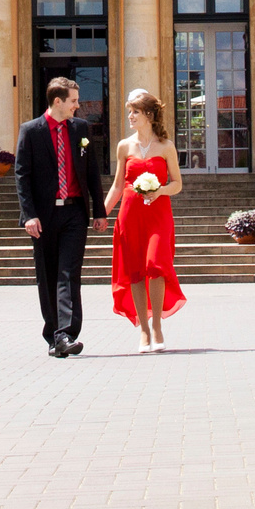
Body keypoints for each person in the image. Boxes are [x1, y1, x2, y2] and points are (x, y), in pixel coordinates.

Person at [17, 75, 109, 358]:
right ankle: (54, 336)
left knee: (69, 273)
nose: (77, 106)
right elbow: (22, 176)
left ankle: (66, 334)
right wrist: (29, 215)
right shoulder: (30, 131)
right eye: (73, 101)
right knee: (47, 275)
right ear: (57, 101)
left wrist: (99, 211)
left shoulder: (80, 128)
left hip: (74, 212)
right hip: (43, 216)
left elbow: (91, 172)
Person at [106, 88, 186, 351]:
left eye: (135, 112)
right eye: (130, 111)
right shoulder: (124, 146)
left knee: (156, 264)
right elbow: (118, 186)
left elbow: (177, 184)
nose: (130, 116)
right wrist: (101, 214)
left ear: (149, 115)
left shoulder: (166, 146)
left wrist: (159, 190)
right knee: (136, 271)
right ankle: (143, 329)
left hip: (158, 214)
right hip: (130, 214)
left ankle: (157, 326)